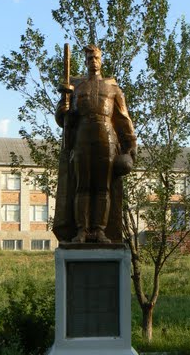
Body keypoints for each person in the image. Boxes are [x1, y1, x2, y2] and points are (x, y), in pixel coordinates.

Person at [55, 44, 137, 243]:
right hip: (83, 136)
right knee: (82, 186)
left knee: (103, 187)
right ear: (85, 61)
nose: (93, 61)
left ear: (101, 60)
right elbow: (61, 119)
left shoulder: (112, 87)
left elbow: (123, 117)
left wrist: (131, 143)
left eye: (96, 58)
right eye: (90, 58)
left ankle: (100, 230)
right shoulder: (75, 85)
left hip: (107, 137)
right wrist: (63, 108)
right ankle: (82, 230)